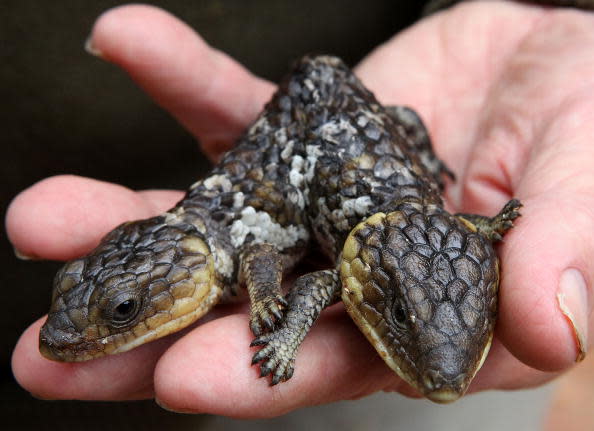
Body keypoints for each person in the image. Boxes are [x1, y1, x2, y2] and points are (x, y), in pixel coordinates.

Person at [7, 1, 594, 418]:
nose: (99, 329)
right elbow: (266, 255)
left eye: (124, 311)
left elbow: (266, 256)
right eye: (122, 311)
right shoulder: (215, 249)